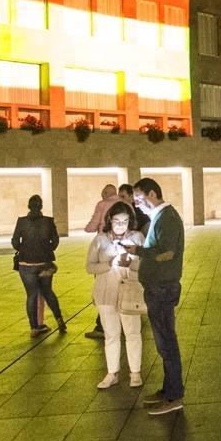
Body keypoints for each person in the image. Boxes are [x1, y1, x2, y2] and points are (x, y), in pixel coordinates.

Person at [134, 177, 186, 415]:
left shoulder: (168, 218)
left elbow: (167, 253)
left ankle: (175, 396)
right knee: (163, 341)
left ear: (152, 194)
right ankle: (168, 389)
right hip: (156, 286)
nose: (137, 204)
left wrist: (137, 251)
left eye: (139, 198)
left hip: (162, 288)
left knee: (167, 342)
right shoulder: (160, 217)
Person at [85, 202, 145, 389]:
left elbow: (146, 264)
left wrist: (131, 265)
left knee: (133, 333)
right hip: (106, 294)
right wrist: (109, 264)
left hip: (129, 293)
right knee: (111, 334)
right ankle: (112, 372)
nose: (121, 225)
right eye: (117, 221)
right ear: (110, 220)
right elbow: (90, 266)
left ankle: (135, 372)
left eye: (125, 221)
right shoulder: (100, 240)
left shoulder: (137, 238)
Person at [12, 194, 65, 337]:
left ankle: (34, 327)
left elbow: (15, 242)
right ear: (41, 206)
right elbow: (55, 241)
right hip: (44, 262)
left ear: (28, 206)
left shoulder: (21, 222)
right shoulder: (48, 222)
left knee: (31, 295)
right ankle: (59, 319)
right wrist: (47, 249)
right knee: (48, 291)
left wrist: (23, 248)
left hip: (26, 263)